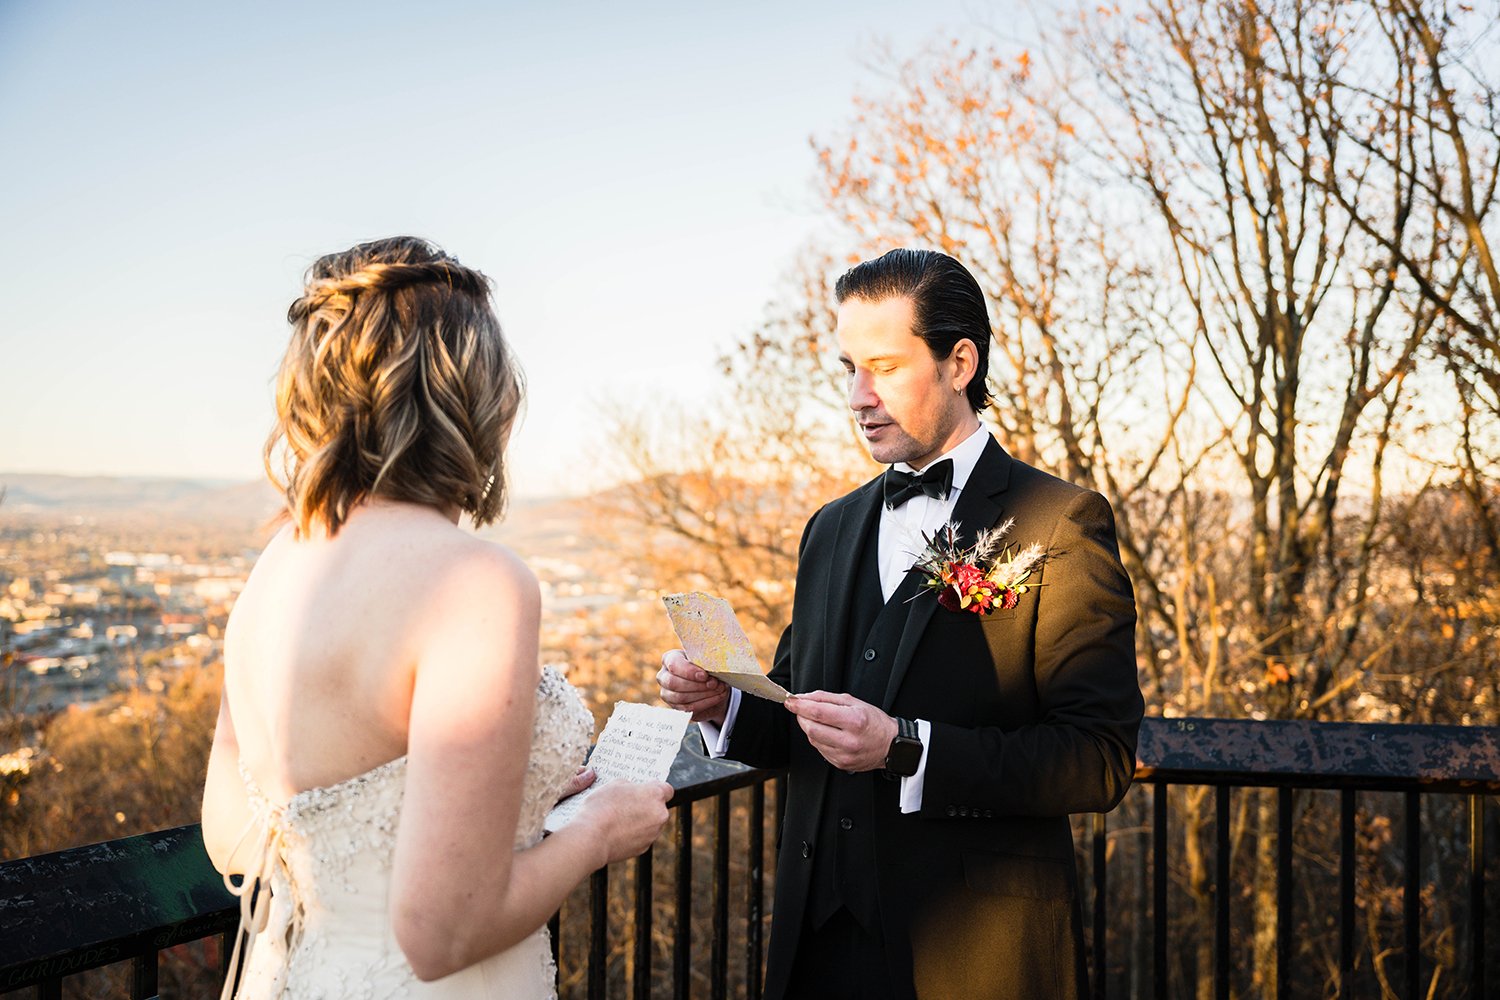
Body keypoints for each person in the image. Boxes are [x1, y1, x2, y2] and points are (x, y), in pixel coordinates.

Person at [658, 248, 1144, 999]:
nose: (859, 396)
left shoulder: (1060, 522)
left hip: (974, 956)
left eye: (883, 366)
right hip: (818, 945)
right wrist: (725, 704)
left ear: (958, 362)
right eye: (849, 368)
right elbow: (799, 714)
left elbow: (1098, 757)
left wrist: (907, 749)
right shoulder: (830, 528)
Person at [201, 236, 672, 999]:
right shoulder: (474, 583)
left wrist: (500, 813)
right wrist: (596, 833)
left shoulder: (278, 564)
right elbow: (440, 934)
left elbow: (235, 836)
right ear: (476, 396)